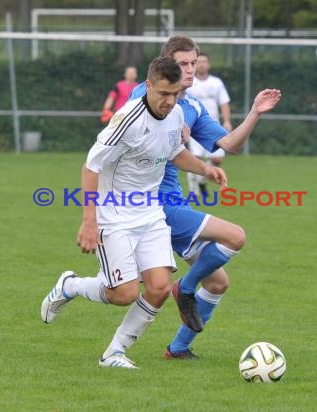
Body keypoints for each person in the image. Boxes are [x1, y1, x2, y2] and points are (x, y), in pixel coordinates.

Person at [40, 56, 228, 369]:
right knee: (123, 293)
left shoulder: (176, 112)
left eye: (176, 94)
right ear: (149, 85)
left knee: (158, 288)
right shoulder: (127, 119)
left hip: (150, 212)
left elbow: (175, 152)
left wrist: (205, 169)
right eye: (164, 94)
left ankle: (114, 353)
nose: (170, 102)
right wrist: (89, 222)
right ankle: (70, 285)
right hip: (113, 216)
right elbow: (90, 167)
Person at [126, 36, 281, 360]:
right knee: (235, 236)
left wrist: (254, 112)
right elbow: (138, 132)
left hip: (175, 203)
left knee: (217, 283)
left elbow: (230, 145)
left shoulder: (192, 106)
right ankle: (183, 289)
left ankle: (179, 349)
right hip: (151, 203)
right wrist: (170, 128)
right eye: (182, 63)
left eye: (193, 63)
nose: (189, 69)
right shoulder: (147, 95)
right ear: (165, 65)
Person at [186, 52, 232, 195]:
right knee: (195, 159)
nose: (201, 64)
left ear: (209, 64)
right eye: (198, 62)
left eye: (204, 61)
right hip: (194, 128)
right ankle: (193, 192)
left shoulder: (216, 82)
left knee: (217, 159)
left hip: (213, 127)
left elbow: (224, 103)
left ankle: (201, 182)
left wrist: (227, 121)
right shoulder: (189, 82)